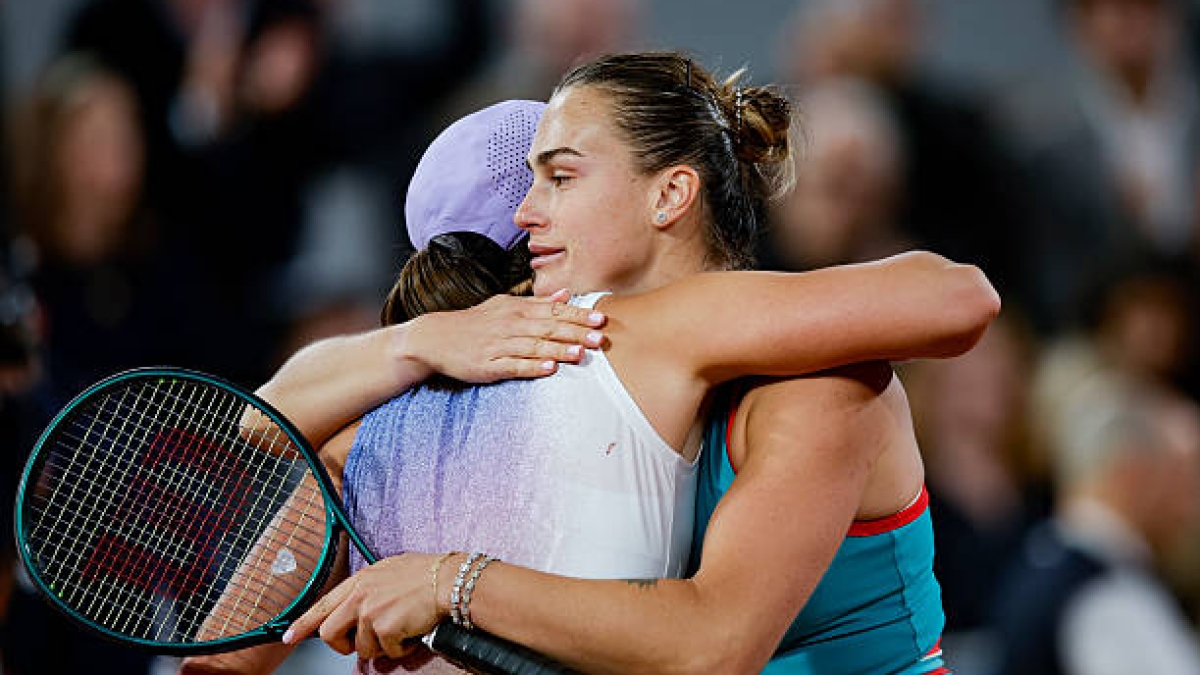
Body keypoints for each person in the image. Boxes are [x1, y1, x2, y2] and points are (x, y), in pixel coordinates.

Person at [186, 52, 998, 675]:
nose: (529, 212)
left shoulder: (817, 390)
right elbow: (269, 431)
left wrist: (451, 581)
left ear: (669, 194)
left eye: (561, 177)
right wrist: (415, 343)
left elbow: (712, 646)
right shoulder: (553, 386)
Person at [988, 374, 1200, 674]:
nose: (1190, 501)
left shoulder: (1038, 561)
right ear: (1132, 473)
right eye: (1178, 474)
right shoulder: (1104, 593)